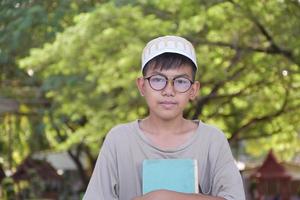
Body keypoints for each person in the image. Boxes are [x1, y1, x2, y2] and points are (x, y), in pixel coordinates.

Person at [83, 35, 245, 200]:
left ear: (193, 90)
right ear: (142, 85)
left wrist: (164, 196)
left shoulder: (212, 140)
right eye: (158, 79)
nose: (169, 91)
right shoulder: (119, 140)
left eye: (180, 81)